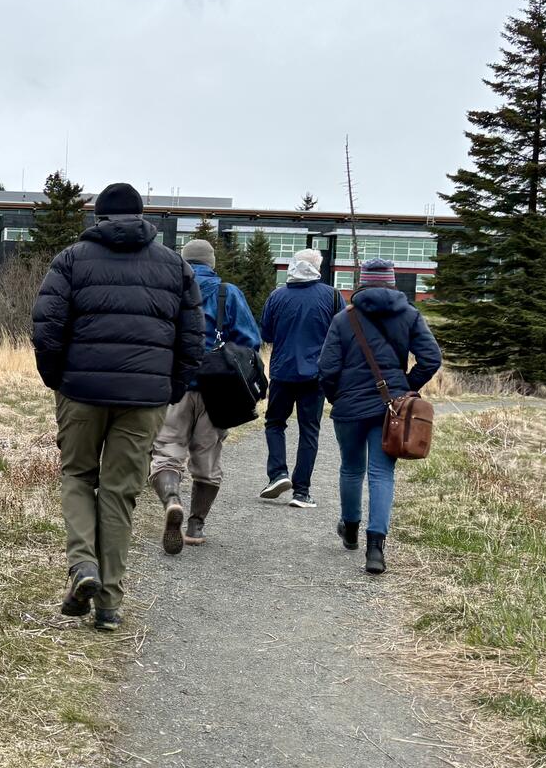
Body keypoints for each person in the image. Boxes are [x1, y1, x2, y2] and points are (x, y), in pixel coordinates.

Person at [32, 182, 205, 632]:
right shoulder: (175, 266)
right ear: (142, 217)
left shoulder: (70, 260)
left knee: (77, 475)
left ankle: (83, 566)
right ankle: (109, 603)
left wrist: (58, 379)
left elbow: (47, 329)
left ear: (99, 219)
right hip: (144, 398)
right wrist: (170, 387)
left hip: (80, 392)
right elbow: (192, 339)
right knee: (119, 491)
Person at [317, 258, 442, 574]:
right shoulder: (410, 314)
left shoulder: (344, 319)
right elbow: (431, 358)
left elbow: (327, 368)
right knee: (381, 474)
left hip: (349, 406)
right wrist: (406, 387)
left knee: (351, 468)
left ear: (362, 281)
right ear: (392, 281)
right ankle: (376, 550)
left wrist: (337, 397)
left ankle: (350, 531)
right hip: (393, 407)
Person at [150, 235, 260, 551]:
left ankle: (172, 500)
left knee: (167, 452)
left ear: (182, 261)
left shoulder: (169, 290)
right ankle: (195, 525)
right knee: (207, 461)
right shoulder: (229, 294)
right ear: (211, 263)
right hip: (218, 391)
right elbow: (250, 341)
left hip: (176, 386)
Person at [258, 248, 343, 508]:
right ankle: (302, 492)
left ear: (294, 267)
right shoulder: (332, 296)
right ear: (318, 267)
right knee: (309, 431)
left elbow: (268, 335)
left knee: (275, 423)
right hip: (316, 375)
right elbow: (342, 332)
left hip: (283, 371)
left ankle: (278, 474)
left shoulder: (277, 296)